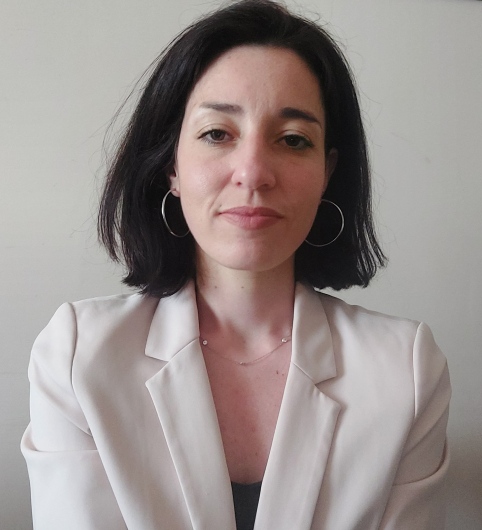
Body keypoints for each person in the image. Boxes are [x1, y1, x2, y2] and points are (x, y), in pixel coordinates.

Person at [21, 1, 451, 529]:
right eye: (217, 134)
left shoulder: (406, 372)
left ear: (326, 172)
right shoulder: (78, 357)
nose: (253, 171)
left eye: (292, 140)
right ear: (171, 165)